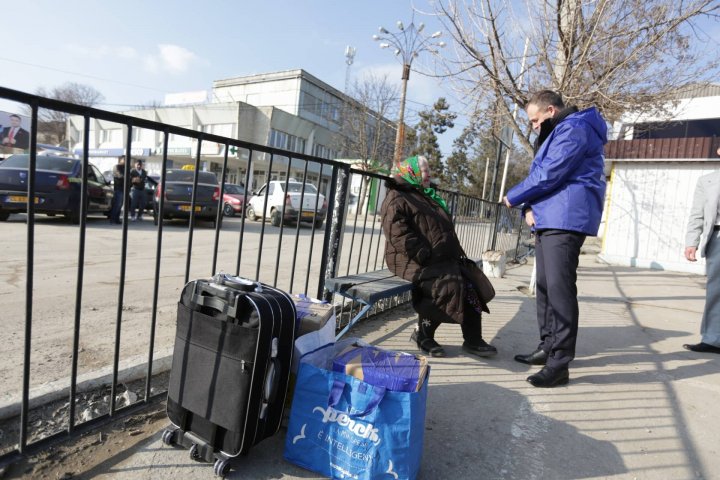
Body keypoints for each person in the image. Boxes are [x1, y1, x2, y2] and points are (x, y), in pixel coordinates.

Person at [503, 90, 607, 388]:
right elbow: (548, 176)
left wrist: (514, 196)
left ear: (550, 110)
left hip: (566, 216)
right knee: (546, 286)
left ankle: (559, 363)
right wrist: (530, 207)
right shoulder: (562, 129)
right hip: (552, 215)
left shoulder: (574, 128)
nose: (534, 127)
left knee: (560, 289)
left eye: (535, 121)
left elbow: (551, 173)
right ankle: (548, 346)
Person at [380, 155, 497, 359]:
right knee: (449, 286)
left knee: (470, 284)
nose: (428, 174)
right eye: (424, 170)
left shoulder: (425, 194)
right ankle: (423, 334)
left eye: (428, 170)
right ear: (412, 172)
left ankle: (473, 339)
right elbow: (398, 235)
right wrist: (426, 256)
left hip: (439, 257)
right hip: (411, 259)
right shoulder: (397, 197)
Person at [683, 147, 720, 355]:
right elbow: (696, 214)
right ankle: (714, 339)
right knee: (717, 291)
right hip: (717, 237)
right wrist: (691, 242)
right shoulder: (707, 181)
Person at [109, 156, 127, 224]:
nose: (126, 161)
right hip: (118, 189)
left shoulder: (126, 167)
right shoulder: (116, 167)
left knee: (120, 205)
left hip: (124, 189)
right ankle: (112, 219)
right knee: (117, 204)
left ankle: (117, 219)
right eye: (124, 159)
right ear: (120, 160)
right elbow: (120, 175)